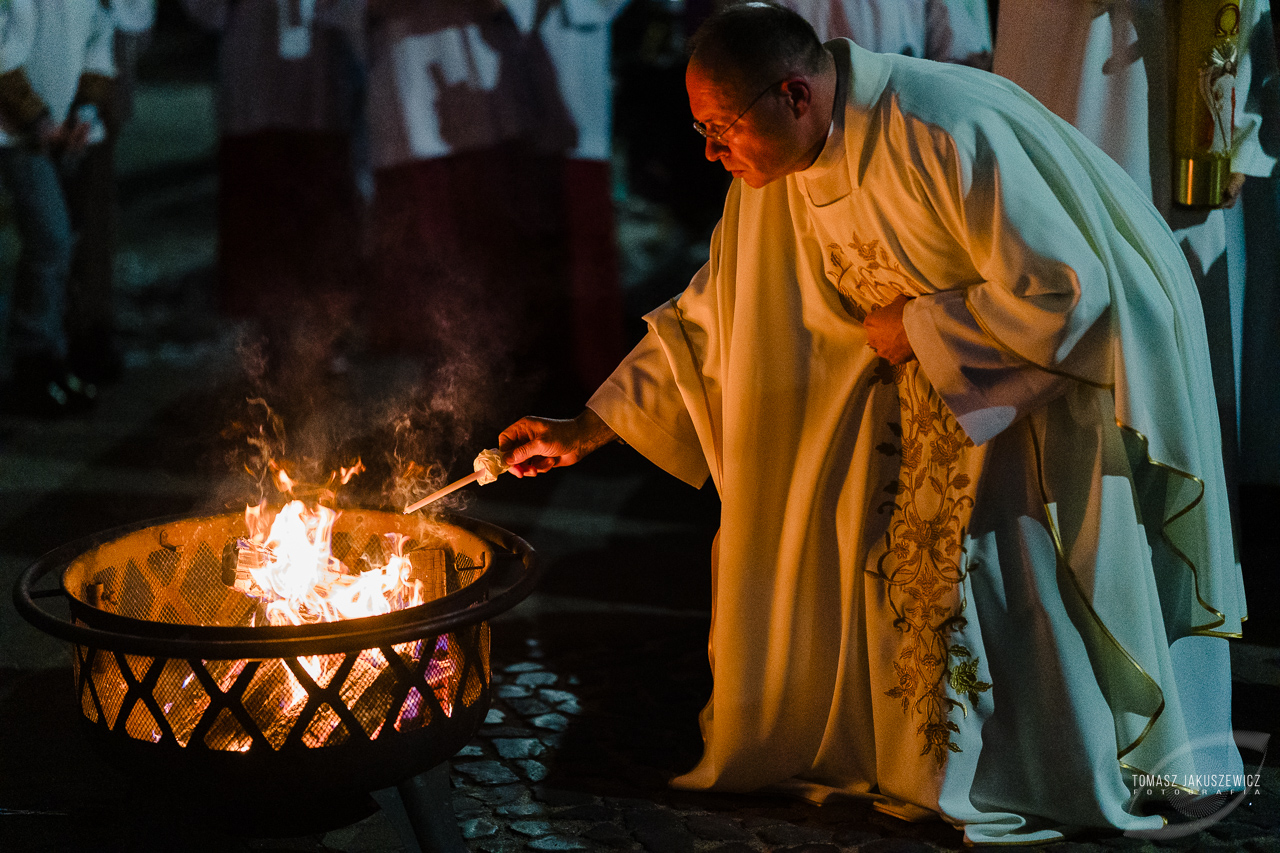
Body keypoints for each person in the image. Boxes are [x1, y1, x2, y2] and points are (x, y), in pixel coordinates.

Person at [492, 2, 1245, 843]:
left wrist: (920, 328)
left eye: (722, 128)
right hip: (907, 418)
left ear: (795, 93)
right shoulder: (777, 169)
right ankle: (905, 766)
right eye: (702, 130)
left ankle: (1024, 770)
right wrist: (586, 428)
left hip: (1025, 411)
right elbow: (715, 316)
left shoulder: (945, 129)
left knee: (1002, 598)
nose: (712, 153)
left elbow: (1074, 295)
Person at [0, 0, 116, 416]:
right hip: (17, 134)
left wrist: (86, 108)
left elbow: (97, 39)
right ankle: (31, 362)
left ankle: (52, 358)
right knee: (51, 241)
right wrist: (36, 118)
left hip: (66, 130)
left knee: (62, 243)